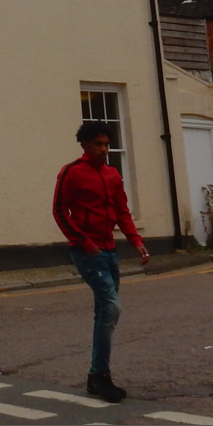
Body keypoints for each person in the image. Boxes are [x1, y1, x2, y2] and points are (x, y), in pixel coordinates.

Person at [53, 121, 150, 403]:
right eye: (98, 144)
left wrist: (136, 241)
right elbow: (60, 211)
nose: (104, 149)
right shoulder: (71, 172)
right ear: (84, 144)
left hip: (109, 249)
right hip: (86, 251)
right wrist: (84, 241)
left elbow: (122, 211)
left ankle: (96, 376)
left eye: (107, 144)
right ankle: (100, 376)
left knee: (104, 312)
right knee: (111, 306)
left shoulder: (112, 174)